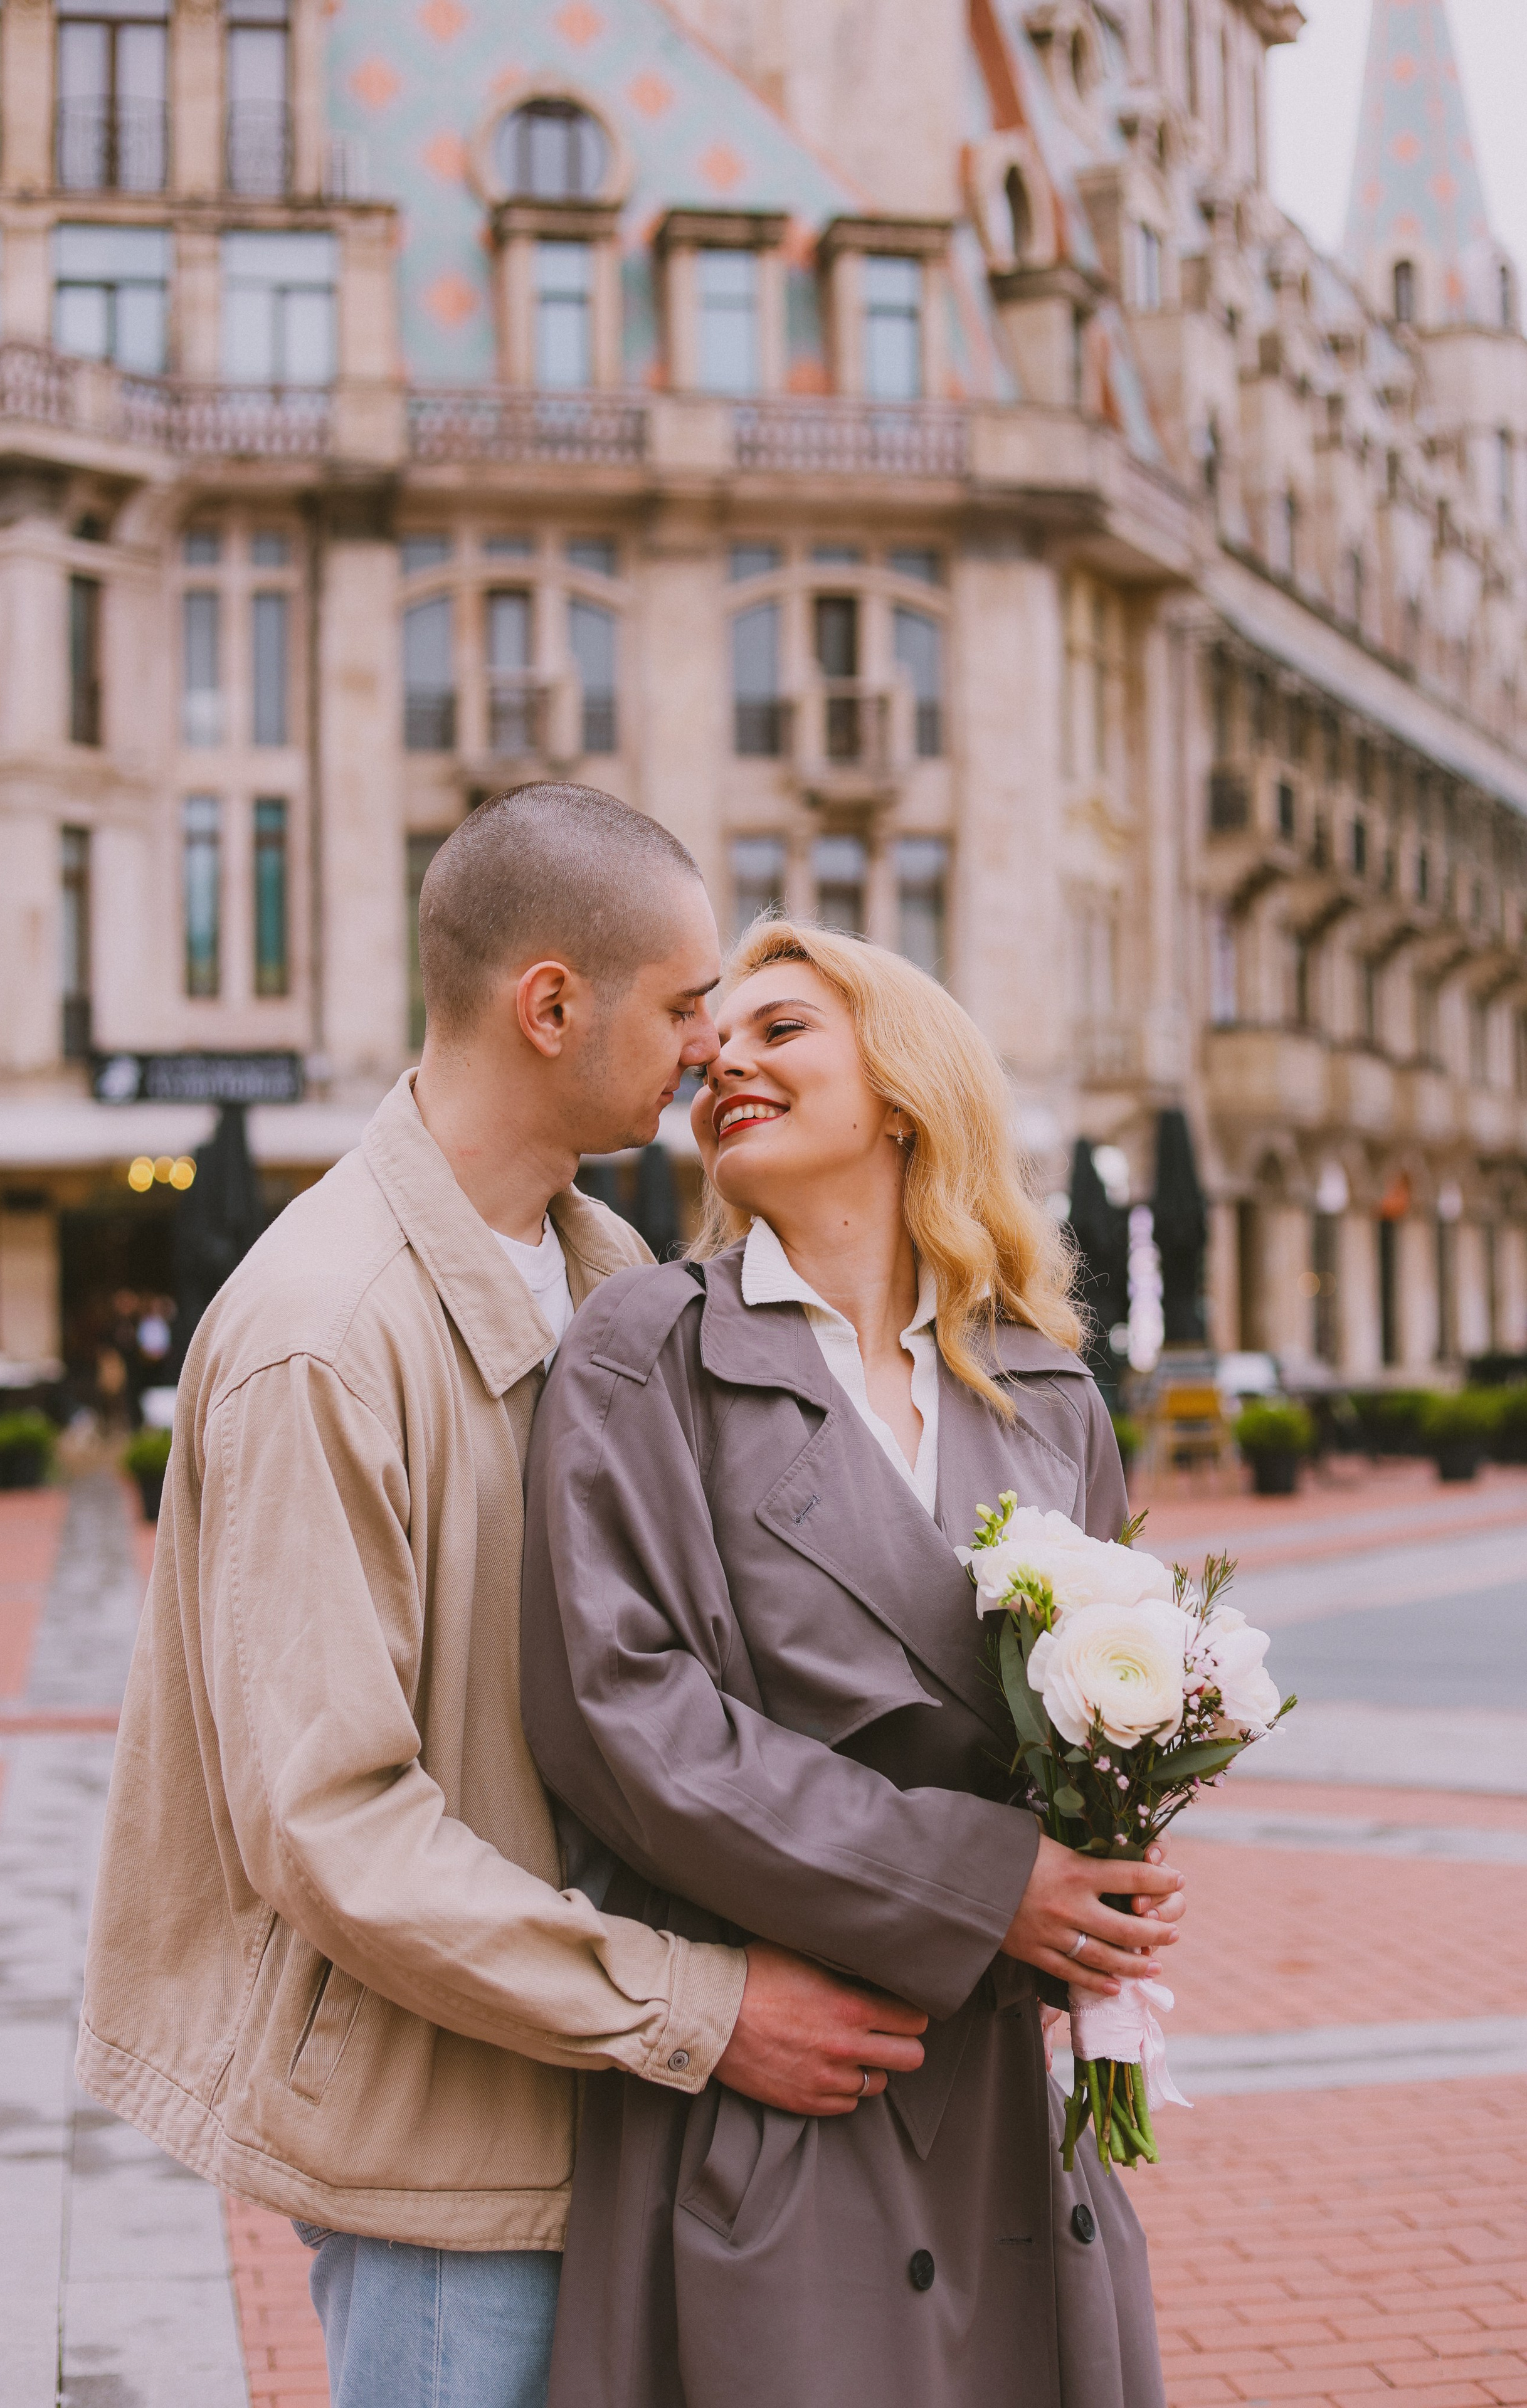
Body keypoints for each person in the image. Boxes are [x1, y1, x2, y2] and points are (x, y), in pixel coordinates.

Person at [77, 789, 927, 2408]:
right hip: (448, 2162)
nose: (707, 1050)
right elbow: (330, 1826)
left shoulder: (615, 1277)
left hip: (606, 2110)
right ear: (553, 1006)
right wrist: (706, 2009)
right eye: (686, 1008)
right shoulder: (323, 1332)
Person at [520, 918, 1188, 2408]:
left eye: (779, 1032)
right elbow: (621, 1720)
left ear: (900, 1093)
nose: (723, 1061)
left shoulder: (1046, 1387)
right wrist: (980, 1886)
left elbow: (1096, 1713)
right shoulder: (646, 1350)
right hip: (786, 2081)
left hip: (1017, 2108)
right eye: (717, 1040)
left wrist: (1113, 1864)